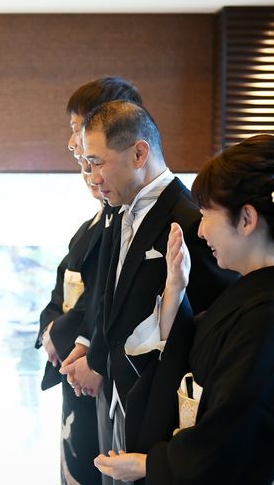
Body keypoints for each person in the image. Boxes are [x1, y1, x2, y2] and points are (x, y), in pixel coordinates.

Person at [60, 101, 237, 482]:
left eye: (97, 162)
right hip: (115, 400)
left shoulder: (190, 220)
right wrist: (94, 350)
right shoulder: (119, 209)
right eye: (86, 163)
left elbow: (213, 327)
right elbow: (108, 298)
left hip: (159, 417)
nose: (92, 176)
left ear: (139, 154)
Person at [94, 133, 274, 484]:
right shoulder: (250, 294)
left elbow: (234, 428)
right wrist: (175, 290)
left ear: (246, 219)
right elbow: (194, 342)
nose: (201, 231)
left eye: (206, 214)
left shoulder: (265, 314)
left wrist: (153, 465)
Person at [36, 77, 142, 484]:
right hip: (75, 363)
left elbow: (104, 295)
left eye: (78, 128)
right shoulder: (98, 219)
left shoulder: (126, 217)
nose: (73, 143)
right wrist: (50, 328)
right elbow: (67, 283)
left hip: (95, 365)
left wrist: (70, 338)